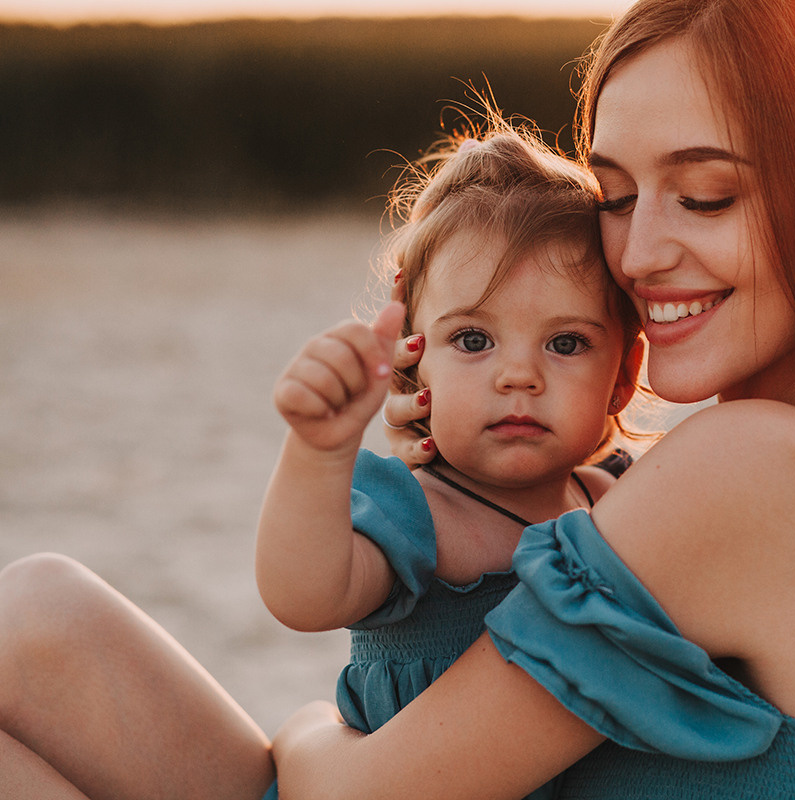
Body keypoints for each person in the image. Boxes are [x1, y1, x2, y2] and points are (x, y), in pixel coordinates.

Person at [272, 1, 795, 799]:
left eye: (704, 195)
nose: (637, 255)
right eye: (615, 197)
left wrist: (305, 733)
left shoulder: (758, 469)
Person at [254, 124, 643, 800]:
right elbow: (303, 595)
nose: (518, 375)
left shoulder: (627, 500)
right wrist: (320, 451)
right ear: (413, 349)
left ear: (624, 373)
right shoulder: (418, 512)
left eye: (567, 343)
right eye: (473, 339)